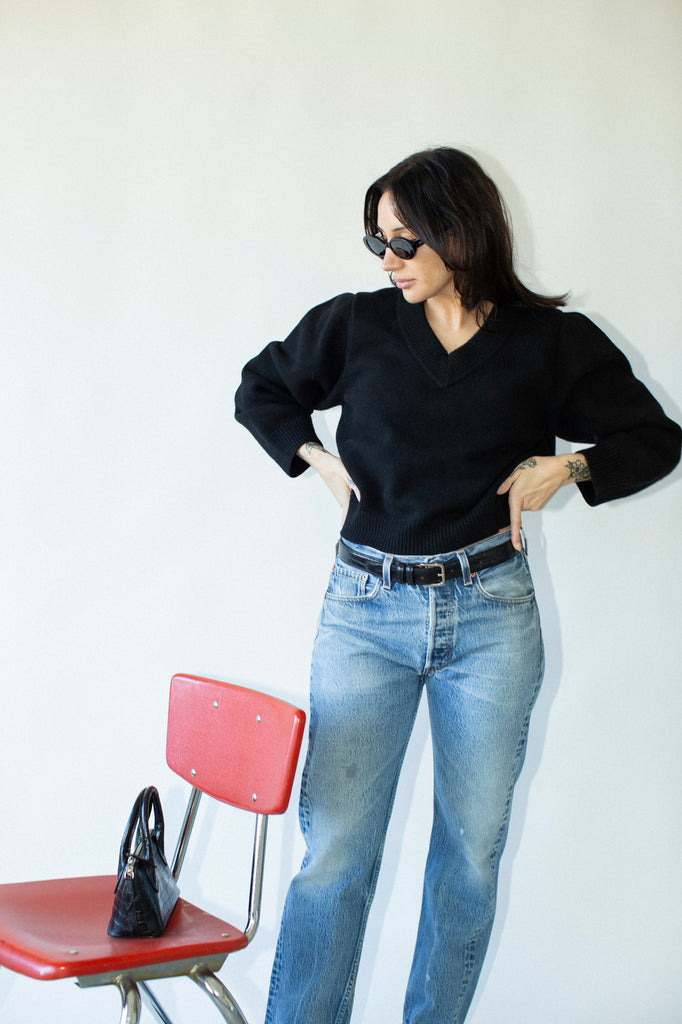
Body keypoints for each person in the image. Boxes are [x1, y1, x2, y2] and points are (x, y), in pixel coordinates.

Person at [234, 147, 680, 1024]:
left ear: (460, 230)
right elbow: (262, 388)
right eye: (378, 241)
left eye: (404, 240)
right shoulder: (356, 326)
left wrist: (569, 467)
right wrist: (314, 455)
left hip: (491, 619)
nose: (388, 260)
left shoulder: (551, 344)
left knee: (469, 862)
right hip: (365, 614)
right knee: (336, 857)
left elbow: (656, 440)